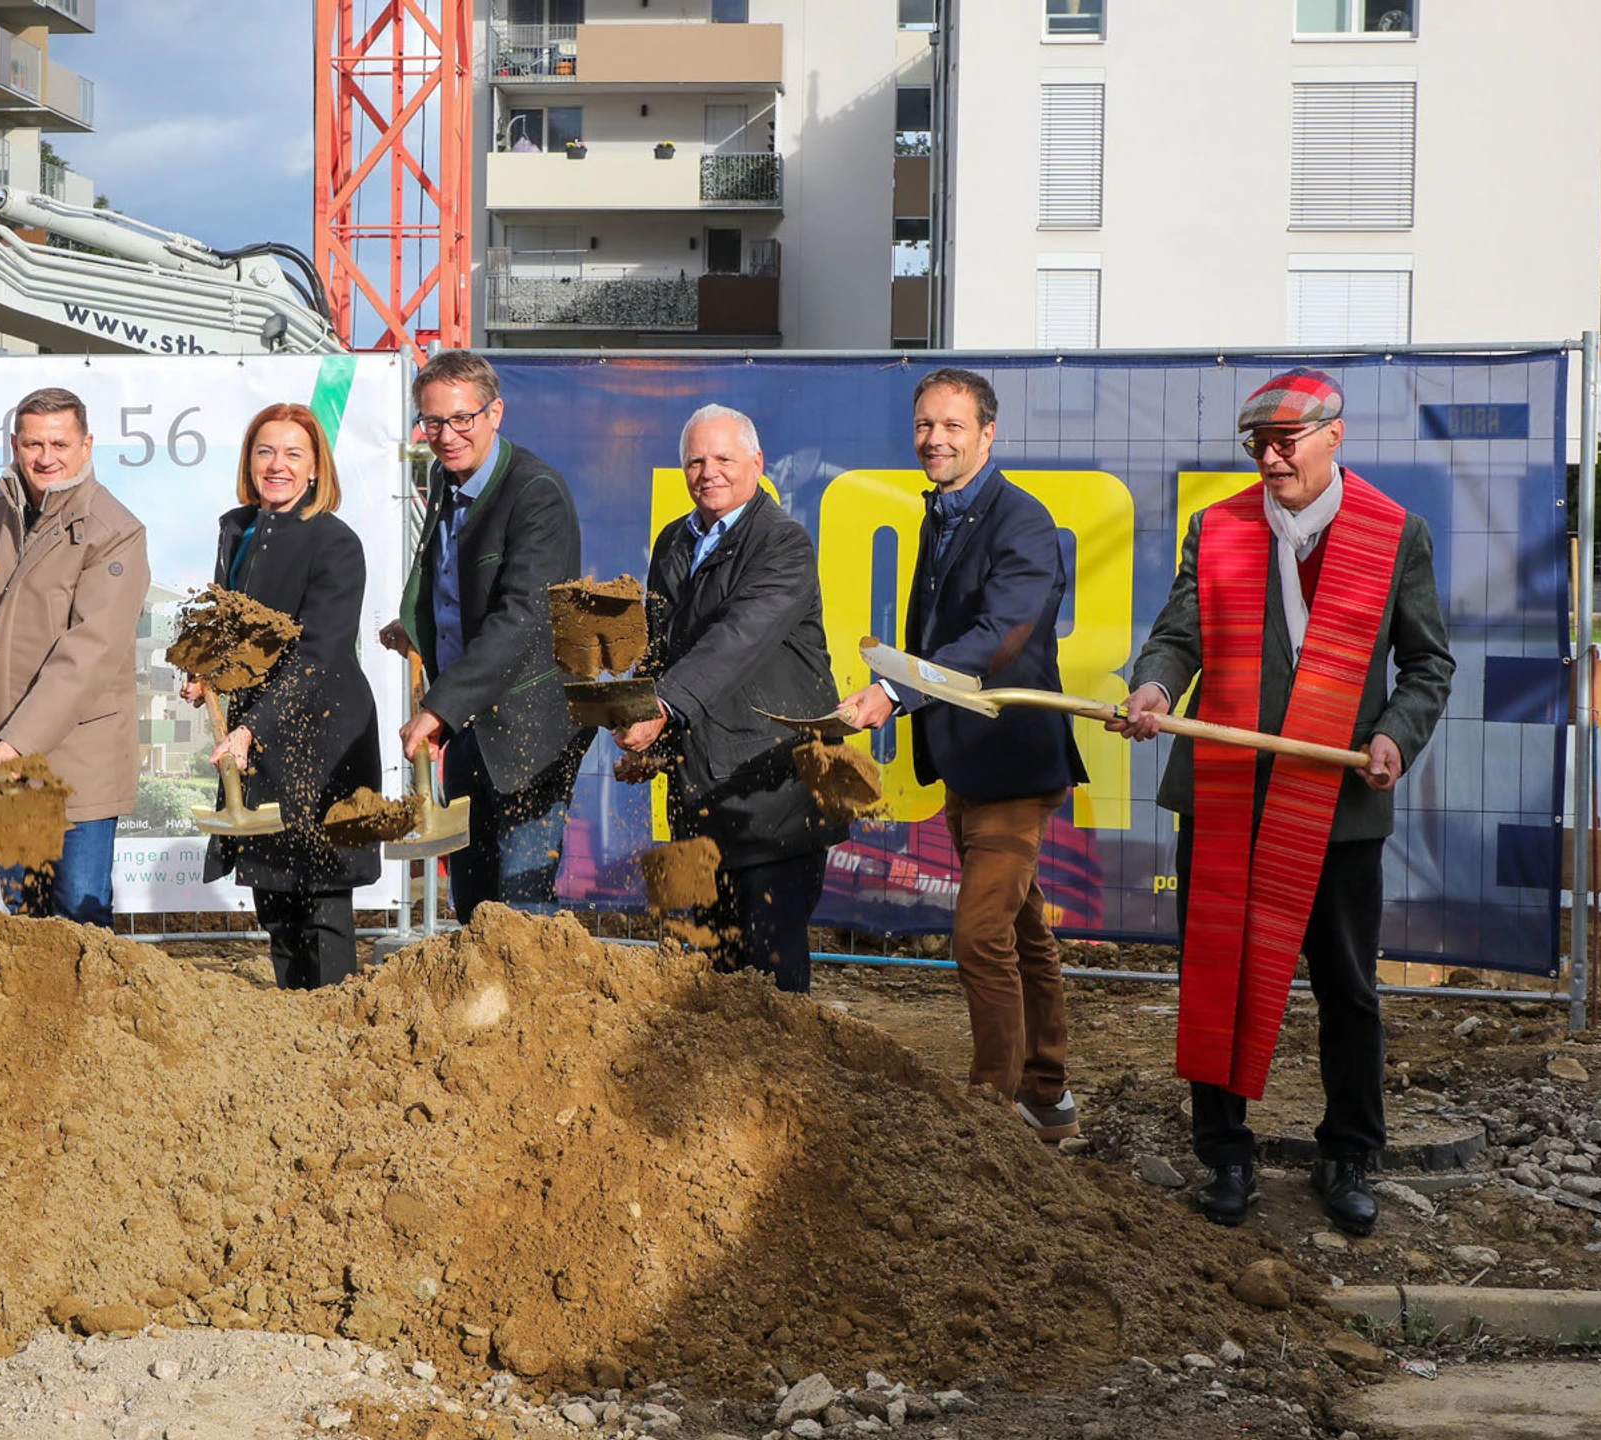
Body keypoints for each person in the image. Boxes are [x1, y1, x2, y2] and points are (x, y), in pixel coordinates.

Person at [1109, 368, 1453, 1235]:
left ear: (1336, 435)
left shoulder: (1393, 532)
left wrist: (1394, 737)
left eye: (1285, 441)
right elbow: (1176, 634)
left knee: (1347, 987)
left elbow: (1427, 665)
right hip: (1226, 790)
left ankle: (1348, 1154)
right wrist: (1155, 689)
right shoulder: (1218, 527)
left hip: (1336, 804)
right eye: (1256, 443)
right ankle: (1224, 1153)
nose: (1269, 457)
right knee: (1215, 971)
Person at [836, 368, 1090, 1140]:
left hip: (1015, 761)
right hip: (967, 762)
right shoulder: (940, 514)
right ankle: (1048, 1094)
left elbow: (998, 639)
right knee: (1021, 930)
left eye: (952, 426)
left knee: (980, 933)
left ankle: (989, 1113)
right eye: (924, 425)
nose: (934, 439)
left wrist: (898, 693)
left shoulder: (1022, 521)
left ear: (988, 434)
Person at [611, 405, 845, 993]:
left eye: (723, 459)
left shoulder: (783, 544)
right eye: (695, 460)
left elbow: (734, 641)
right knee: (689, 973)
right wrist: (653, 744)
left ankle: (779, 1088)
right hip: (692, 796)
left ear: (757, 465)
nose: (707, 472)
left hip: (773, 794)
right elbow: (663, 650)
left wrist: (660, 709)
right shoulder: (673, 541)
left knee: (770, 983)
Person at [379, 350, 590, 923]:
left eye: (460, 419)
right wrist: (420, 626)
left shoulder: (536, 492)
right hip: (470, 728)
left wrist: (438, 709)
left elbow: (523, 617)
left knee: (521, 913)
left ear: (495, 412)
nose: (446, 436)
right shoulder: (442, 478)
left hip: (530, 731)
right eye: (432, 423)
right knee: (472, 905)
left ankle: (530, 1014)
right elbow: (458, 581)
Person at [0, 387, 149, 925]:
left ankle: (95, 1013)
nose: (46, 457)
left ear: (86, 445)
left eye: (60, 443)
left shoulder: (116, 531)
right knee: (23, 910)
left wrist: (18, 743)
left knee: (78, 911)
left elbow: (90, 653)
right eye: (33, 443)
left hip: (81, 759)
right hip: (3, 755)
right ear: (14, 444)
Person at [193, 403, 382, 988]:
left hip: (322, 738)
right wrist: (205, 671)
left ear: (315, 468)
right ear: (249, 462)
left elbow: (319, 654)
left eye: (293, 454)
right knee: (274, 899)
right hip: (258, 737)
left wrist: (252, 730)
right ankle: (295, 1036)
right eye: (265, 452)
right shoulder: (239, 531)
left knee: (322, 903)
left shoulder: (335, 543)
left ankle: (333, 1040)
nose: (278, 465)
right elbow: (226, 623)